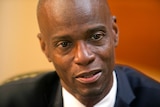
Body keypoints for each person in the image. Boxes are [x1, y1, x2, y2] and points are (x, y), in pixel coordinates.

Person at [0, 0, 160, 107]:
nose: (83, 57)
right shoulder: (10, 100)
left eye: (96, 37)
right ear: (45, 48)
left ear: (114, 33)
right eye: (64, 44)